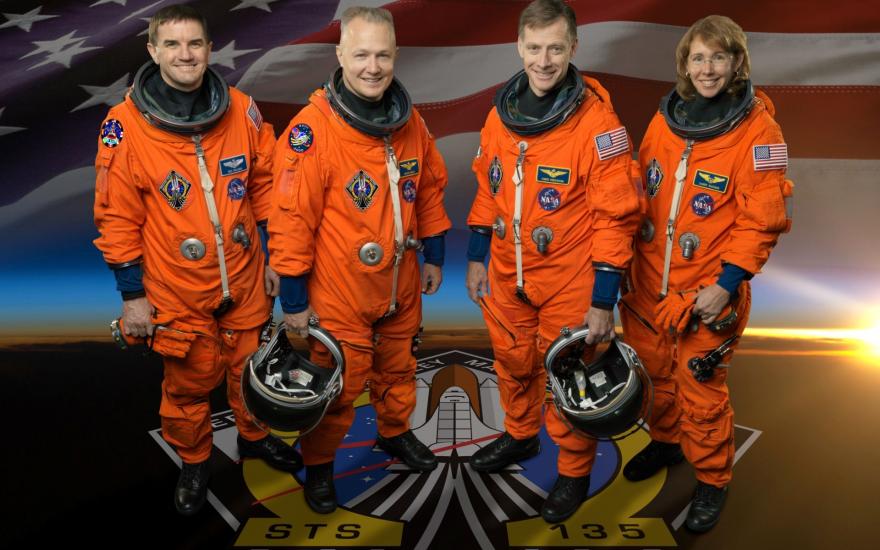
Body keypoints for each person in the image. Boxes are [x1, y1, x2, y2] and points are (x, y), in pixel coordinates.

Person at [92, 4, 302, 517]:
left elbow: (265, 184)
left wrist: (276, 256)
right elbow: (116, 217)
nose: (185, 54)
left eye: (194, 44)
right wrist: (132, 296)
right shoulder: (124, 128)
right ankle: (194, 457)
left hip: (247, 275)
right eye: (172, 44)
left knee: (252, 368)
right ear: (152, 50)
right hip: (175, 286)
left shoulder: (242, 108)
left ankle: (252, 437)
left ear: (209, 49)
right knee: (189, 382)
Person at [268, 6, 451, 514]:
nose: (373, 67)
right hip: (338, 291)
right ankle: (321, 468)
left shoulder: (408, 120)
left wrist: (432, 255)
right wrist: (295, 299)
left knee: (398, 369)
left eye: (383, 55)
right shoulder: (312, 132)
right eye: (362, 55)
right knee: (336, 387)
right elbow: (289, 222)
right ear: (340, 55)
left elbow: (428, 188)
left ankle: (394, 433)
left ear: (395, 56)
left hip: (400, 281)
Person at [465, 0, 641, 524]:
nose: (544, 61)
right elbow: (488, 188)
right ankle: (520, 437)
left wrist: (603, 300)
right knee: (513, 364)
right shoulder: (502, 113)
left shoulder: (599, 125)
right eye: (535, 48)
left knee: (572, 378)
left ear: (573, 49)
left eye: (556, 48)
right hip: (506, 271)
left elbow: (617, 218)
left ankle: (572, 472)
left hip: (570, 278)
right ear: (519, 47)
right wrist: (477, 256)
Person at [619, 15, 793, 533]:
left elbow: (761, 221)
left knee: (702, 393)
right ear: (684, 64)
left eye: (719, 57)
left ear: (738, 62)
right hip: (650, 286)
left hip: (707, 293)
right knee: (655, 380)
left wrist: (726, 285)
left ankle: (713, 480)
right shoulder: (667, 120)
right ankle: (667, 444)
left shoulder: (760, 133)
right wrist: (626, 263)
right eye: (698, 57)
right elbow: (641, 195)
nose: (707, 68)